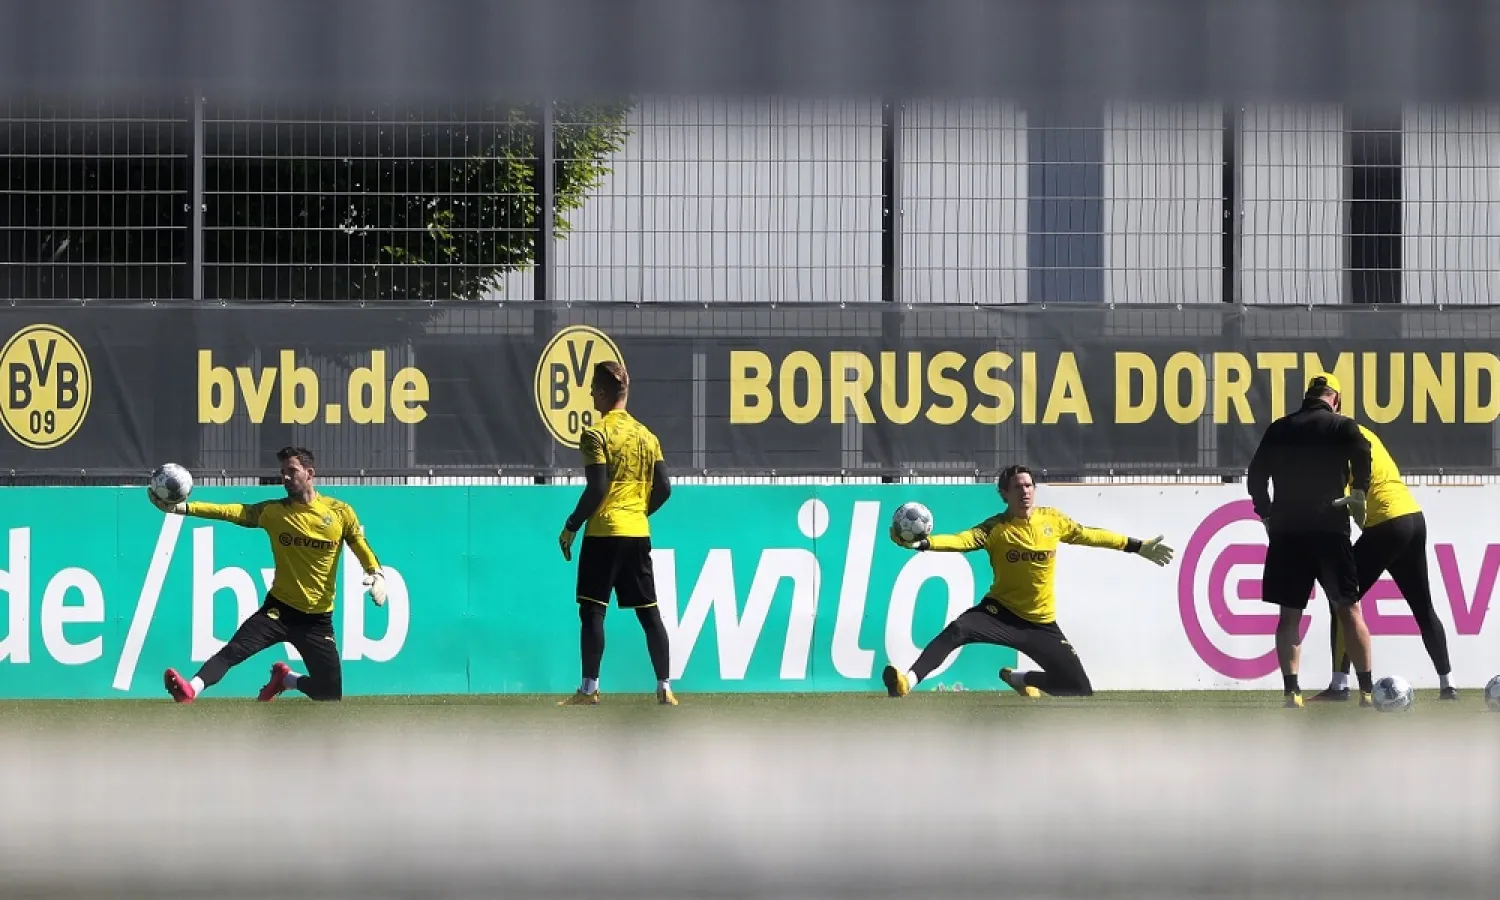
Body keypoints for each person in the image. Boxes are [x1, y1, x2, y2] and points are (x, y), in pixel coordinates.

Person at [881, 464, 1174, 698]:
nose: (1025, 492)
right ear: (1004, 493)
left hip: (1041, 624)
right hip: (1000, 613)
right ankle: (907, 681)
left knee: (1079, 689)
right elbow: (961, 539)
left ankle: (1019, 678)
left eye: (1029, 486)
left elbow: (1092, 534)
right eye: (1017, 487)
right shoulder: (995, 528)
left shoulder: (1052, 520)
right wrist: (923, 544)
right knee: (957, 630)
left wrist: (1136, 545)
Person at [151, 446, 387, 703]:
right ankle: (191, 689)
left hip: (317, 623)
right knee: (234, 651)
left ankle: (286, 679)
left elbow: (359, 543)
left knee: (329, 695)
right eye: (282, 472)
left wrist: (376, 573)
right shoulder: (274, 511)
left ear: (309, 473)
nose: (285, 477)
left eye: (292, 471)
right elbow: (232, 512)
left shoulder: (340, 512)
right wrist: (184, 508)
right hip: (278, 612)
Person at [1247, 372, 1376, 709]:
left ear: (1309, 396)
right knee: (1350, 609)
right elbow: (1363, 452)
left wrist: (1267, 513)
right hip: (1330, 527)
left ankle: (1292, 692)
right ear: (1334, 398)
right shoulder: (1342, 425)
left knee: (1289, 614)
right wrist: (1359, 489)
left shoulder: (1280, 427)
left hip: (1288, 530)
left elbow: (1256, 475)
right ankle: (1366, 691)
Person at [556, 361, 676, 707]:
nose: (591, 393)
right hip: (638, 532)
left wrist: (571, 526)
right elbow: (665, 488)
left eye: (593, 387)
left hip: (604, 533)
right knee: (649, 613)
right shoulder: (647, 436)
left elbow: (597, 489)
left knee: (592, 611)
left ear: (605, 392)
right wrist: (638, 511)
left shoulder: (596, 434)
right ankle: (664, 686)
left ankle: (589, 689)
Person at [1310, 423, 1457, 702]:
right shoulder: (1364, 434)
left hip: (1386, 526)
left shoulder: (1336, 445)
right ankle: (1448, 686)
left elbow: (1339, 499)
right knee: (1423, 607)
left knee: (1342, 601)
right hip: (1413, 517)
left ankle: (1339, 686)